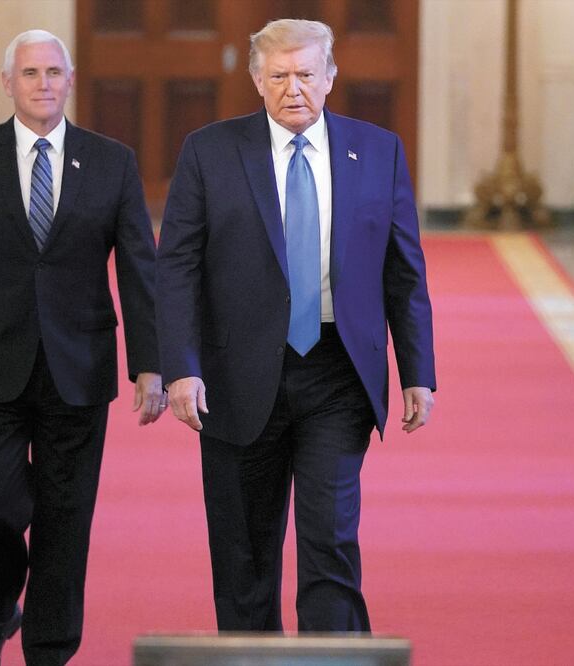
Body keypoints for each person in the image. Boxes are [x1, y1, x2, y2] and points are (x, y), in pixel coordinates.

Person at [156, 19, 435, 633]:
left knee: (330, 542)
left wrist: (417, 372)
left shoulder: (379, 150)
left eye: (306, 74)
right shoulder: (210, 151)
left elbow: (404, 271)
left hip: (338, 372)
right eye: (278, 76)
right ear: (257, 81)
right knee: (244, 555)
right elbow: (175, 267)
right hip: (235, 377)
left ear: (330, 78)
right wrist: (179, 366)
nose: (293, 89)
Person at [0, 29, 165, 666]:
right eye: (30, 73)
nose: (43, 83)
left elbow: (138, 269)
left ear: (69, 80)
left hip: (79, 366)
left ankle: (48, 650)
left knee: (65, 518)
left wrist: (152, 364)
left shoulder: (112, 162)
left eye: (53, 72)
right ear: (8, 83)